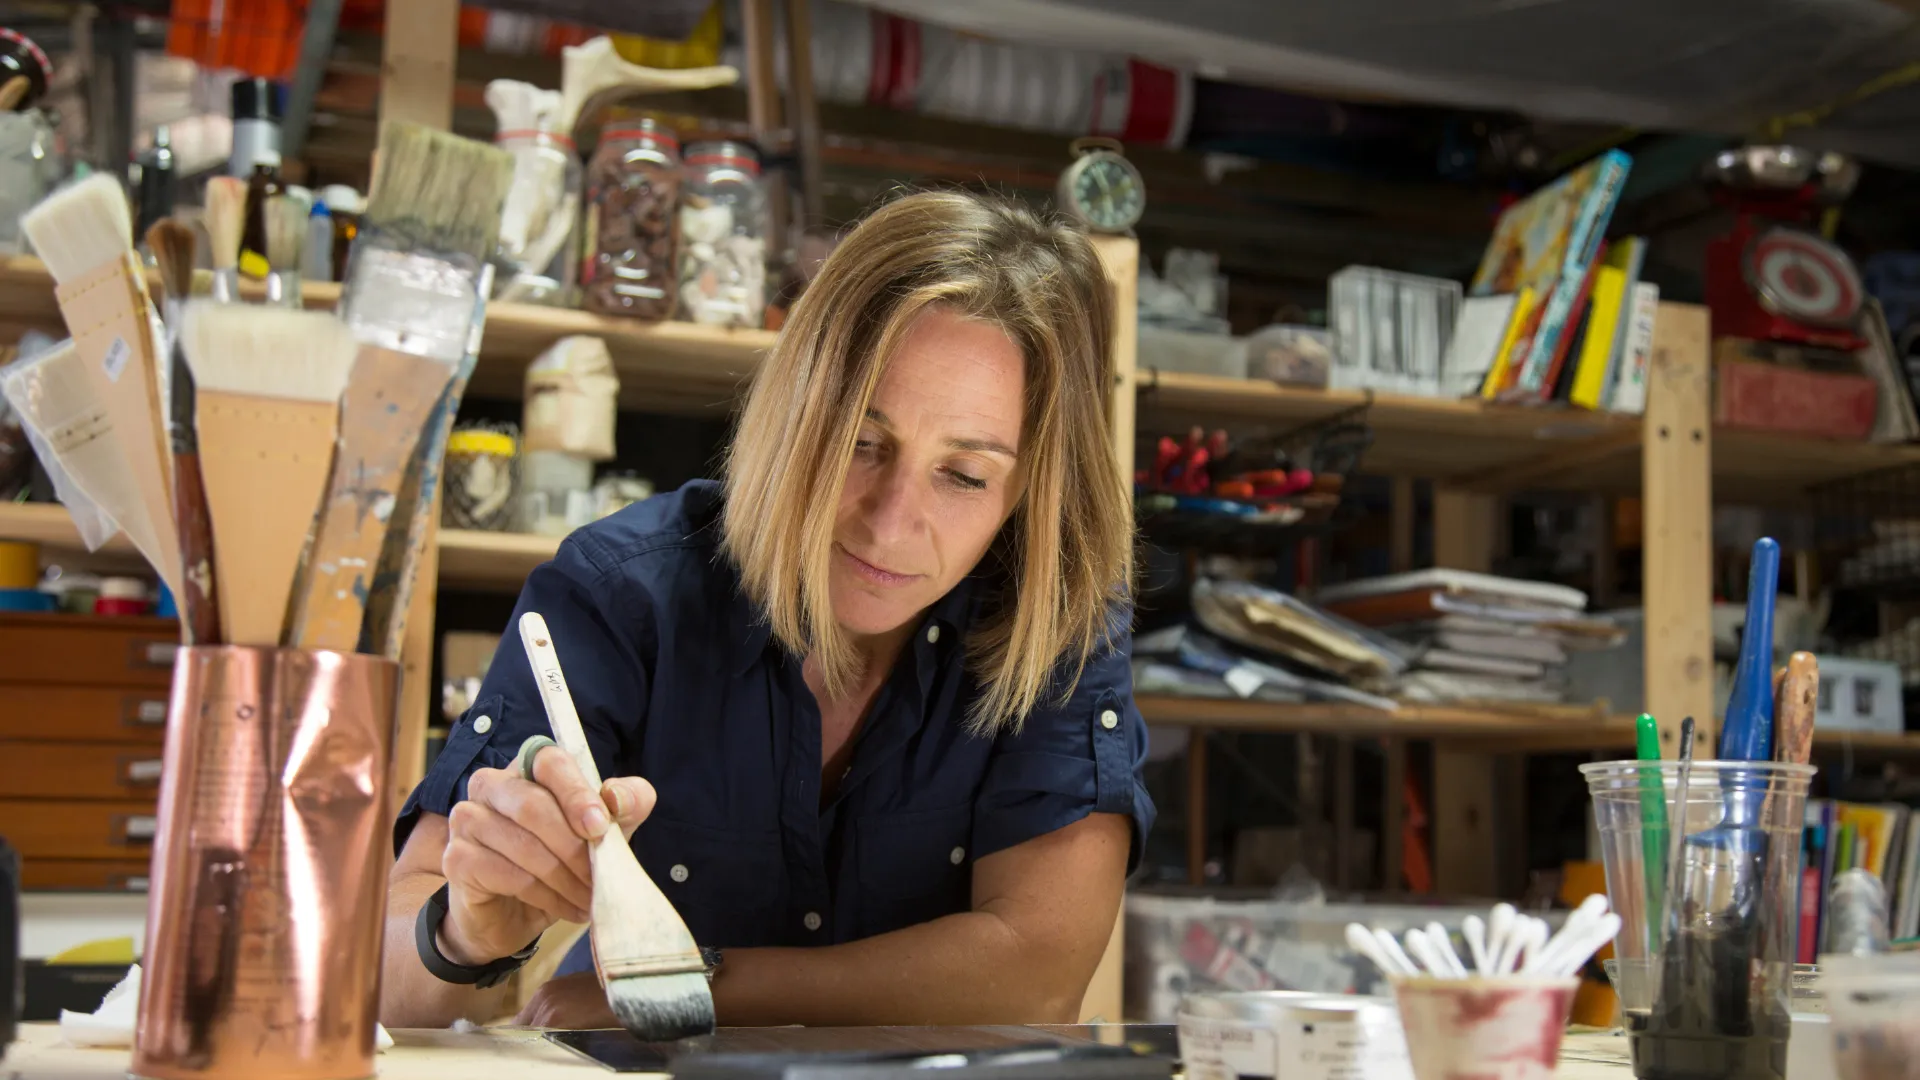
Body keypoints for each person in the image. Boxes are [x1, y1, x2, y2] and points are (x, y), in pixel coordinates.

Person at [378, 190, 1154, 1030]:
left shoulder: (1057, 621)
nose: (891, 523)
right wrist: (463, 931)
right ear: (793, 409)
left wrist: (689, 991)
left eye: (964, 475)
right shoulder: (619, 595)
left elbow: (1037, 976)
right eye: (861, 439)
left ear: (1026, 495)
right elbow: (388, 986)